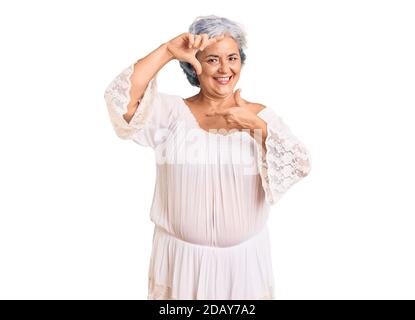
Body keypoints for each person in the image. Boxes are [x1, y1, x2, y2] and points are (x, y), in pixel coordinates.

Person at [104, 15, 312, 300]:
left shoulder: (260, 116)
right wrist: (166, 50)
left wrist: (257, 128)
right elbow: (121, 99)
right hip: (180, 263)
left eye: (232, 58)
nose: (225, 68)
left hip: (244, 266)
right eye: (212, 59)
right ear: (194, 65)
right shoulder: (169, 113)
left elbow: (300, 163)